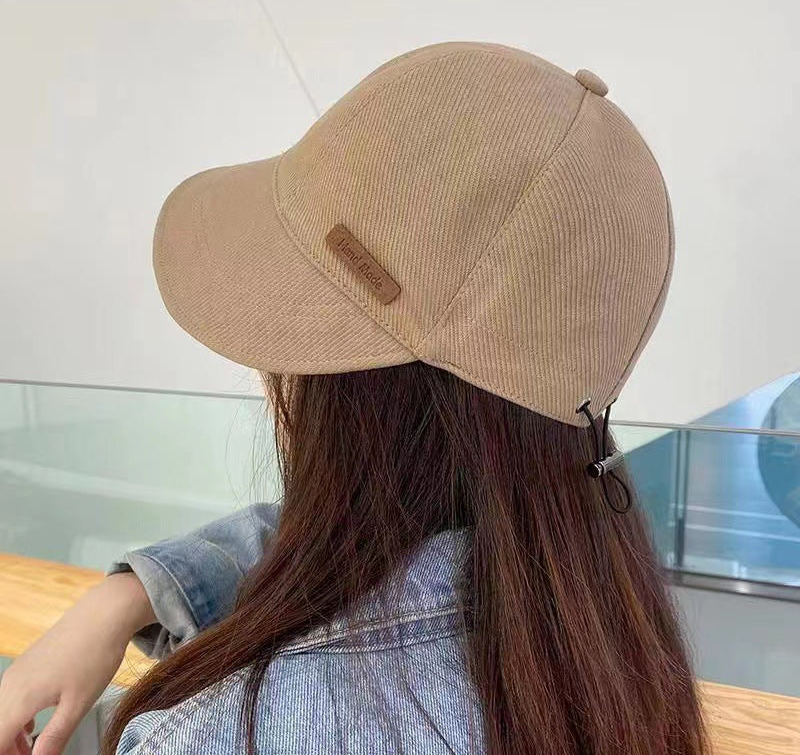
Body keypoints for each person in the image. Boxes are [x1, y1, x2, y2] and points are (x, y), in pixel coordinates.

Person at [0, 41, 707, 755]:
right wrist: (132, 595)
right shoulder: (602, 623)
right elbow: (366, 535)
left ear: (353, 400)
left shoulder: (210, 735)